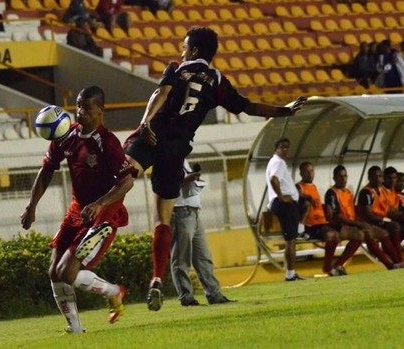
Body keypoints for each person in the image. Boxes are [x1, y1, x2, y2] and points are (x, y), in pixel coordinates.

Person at [122, 26, 306, 311]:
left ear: (193, 51)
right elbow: (248, 107)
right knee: (161, 221)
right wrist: (284, 109)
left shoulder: (176, 67)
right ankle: (156, 279)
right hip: (177, 148)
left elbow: (161, 93)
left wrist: (146, 121)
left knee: (123, 175)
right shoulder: (218, 81)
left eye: (184, 47)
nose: (181, 51)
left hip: (155, 133)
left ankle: (101, 214)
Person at [21, 87, 133, 334]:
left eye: (86, 107)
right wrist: (31, 206)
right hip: (76, 211)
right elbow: (47, 169)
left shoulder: (108, 142)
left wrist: (100, 203)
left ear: (100, 111)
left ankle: (114, 292)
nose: (79, 112)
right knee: (54, 272)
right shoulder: (66, 135)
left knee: (66, 271)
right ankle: (75, 329)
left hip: (102, 215)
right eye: (78, 106)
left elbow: (127, 182)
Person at [170, 160, 233, 306]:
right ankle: (186, 298)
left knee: (203, 257)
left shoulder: (183, 159)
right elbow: (167, 186)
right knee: (181, 258)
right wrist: (188, 179)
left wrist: (193, 179)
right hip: (179, 210)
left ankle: (214, 294)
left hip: (194, 211)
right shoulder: (166, 158)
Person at [325, 165, 398, 271]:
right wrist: (357, 223)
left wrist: (359, 222)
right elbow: (336, 216)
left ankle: (394, 263)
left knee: (383, 233)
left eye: (345, 176)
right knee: (360, 234)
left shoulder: (348, 192)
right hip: (338, 225)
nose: (343, 179)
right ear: (334, 178)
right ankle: (337, 265)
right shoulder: (332, 193)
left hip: (351, 224)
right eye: (340, 176)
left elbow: (353, 211)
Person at [297, 162, 364, 276]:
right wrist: (306, 198)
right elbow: (296, 197)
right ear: (301, 173)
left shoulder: (313, 186)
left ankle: (338, 265)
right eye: (307, 171)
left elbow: (316, 205)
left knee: (359, 235)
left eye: (312, 171)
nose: (310, 174)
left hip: (324, 222)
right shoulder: (299, 187)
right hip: (312, 225)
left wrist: (324, 206)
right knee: (332, 235)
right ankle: (328, 267)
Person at [266, 138, 306, 282]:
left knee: (291, 238)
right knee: (290, 241)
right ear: (275, 150)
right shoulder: (278, 162)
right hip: (284, 205)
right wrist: (282, 197)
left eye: (287, 147)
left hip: (287, 203)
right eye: (282, 147)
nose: (285, 150)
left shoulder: (276, 162)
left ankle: (301, 228)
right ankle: (290, 275)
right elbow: (273, 179)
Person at [357, 166, 404, 268]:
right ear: (369, 177)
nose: (378, 179)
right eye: (375, 176)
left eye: (380, 176)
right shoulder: (366, 192)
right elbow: (369, 214)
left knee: (397, 226)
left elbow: (389, 209)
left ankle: (398, 259)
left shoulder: (383, 190)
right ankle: (396, 261)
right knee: (387, 231)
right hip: (370, 222)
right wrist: (386, 219)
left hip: (381, 220)